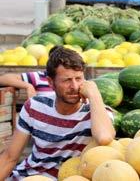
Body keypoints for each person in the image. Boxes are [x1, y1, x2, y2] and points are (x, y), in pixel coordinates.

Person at [0, 46, 115, 180]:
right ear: (50, 82)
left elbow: (105, 137)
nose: (74, 87)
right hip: (27, 176)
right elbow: (9, 157)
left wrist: (94, 93)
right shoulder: (35, 106)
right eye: (67, 80)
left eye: (78, 79)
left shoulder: (97, 111)